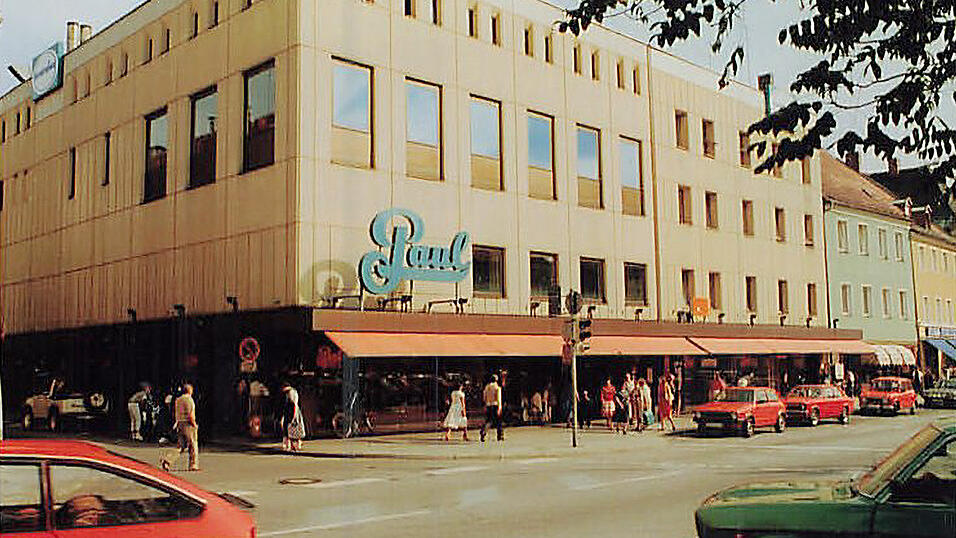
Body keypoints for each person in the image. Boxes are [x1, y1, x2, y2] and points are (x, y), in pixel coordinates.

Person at [168, 383, 199, 471]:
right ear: (190, 390)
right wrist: (194, 424)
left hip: (179, 423)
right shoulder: (189, 400)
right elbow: (190, 414)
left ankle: (168, 460)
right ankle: (193, 465)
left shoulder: (178, 400)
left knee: (180, 446)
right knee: (193, 444)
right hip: (187, 424)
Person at [280, 384, 306, 452]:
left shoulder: (290, 393)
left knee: (291, 428)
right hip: (293, 411)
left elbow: (293, 403)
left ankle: (293, 445)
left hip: (291, 411)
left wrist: (293, 416)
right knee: (292, 428)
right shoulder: (292, 392)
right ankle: (293, 445)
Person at [480, 375, 504, 442]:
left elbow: (484, 397)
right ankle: (500, 435)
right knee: (498, 421)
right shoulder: (497, 388)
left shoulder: (487, 387)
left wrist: (485, 405)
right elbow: (498, 398)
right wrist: (500, 407)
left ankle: (484, 431)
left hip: (488, 405)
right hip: (495, 404)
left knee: (489, 420)